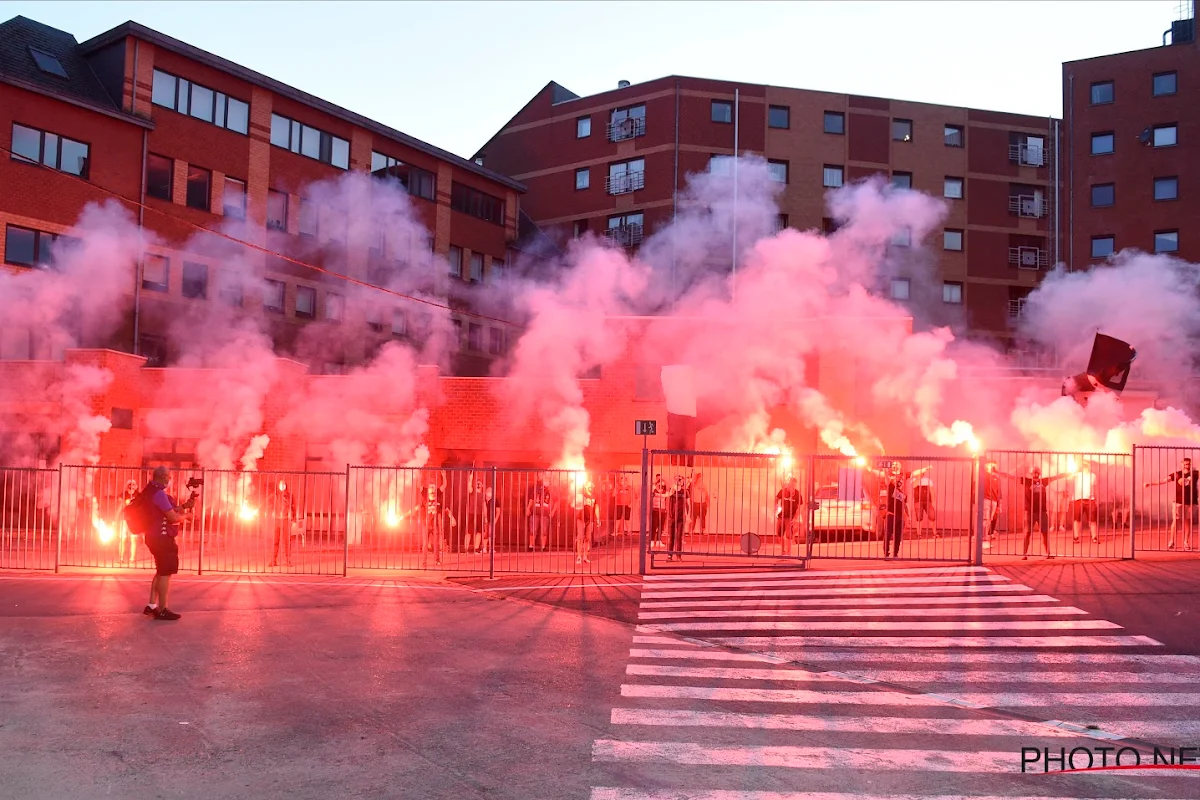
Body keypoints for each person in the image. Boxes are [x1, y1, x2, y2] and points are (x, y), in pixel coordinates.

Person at [142, 466, 193, 621]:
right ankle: (163, 609)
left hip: (153, 536)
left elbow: (164, 511)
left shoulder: (150, 491)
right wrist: (186, 516)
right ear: (163, 477)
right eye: (169, 477)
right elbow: (172, 518)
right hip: (162, 538)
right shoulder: (159, 493)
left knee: (160, 570)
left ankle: (151, 606)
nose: (170, 480)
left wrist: (184, 507)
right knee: (165, 573)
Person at [996, 464, 1068, 560]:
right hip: (1030, 511)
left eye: (1037, 472)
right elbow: (1011, 477)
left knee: (1045, 533)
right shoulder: (1027, 481)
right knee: (1027, 533)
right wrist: (997, 472)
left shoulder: (1044, 481)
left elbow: (1057, 477)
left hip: (1042, 511)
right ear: (1031, 473)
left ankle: (1048, 553)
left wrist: (1071, 473)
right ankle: (1024, 554)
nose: (1035, 474)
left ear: (1039, 473)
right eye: (1034, 472)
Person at [867, 461, 930, 559]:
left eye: (896, 464)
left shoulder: (904, 475)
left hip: (900, 510)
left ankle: (895, 553)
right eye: (893, 465)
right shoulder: (890, 479)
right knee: (888, 533)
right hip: (891, 511)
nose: (894, 466)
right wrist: (872, 469)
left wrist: (925, 469)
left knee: (897, 535)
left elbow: (914, 473)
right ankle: (886, 553)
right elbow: (883, 476)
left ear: (900, 466)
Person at [1145, 456, 1199, 550]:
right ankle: (1171, 541)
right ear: (1182, 464)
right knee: (1175, 521)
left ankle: (1186, 542)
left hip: (1191, 502)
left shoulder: (1195, 473)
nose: (1187, 465)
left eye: (1188, 463)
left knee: (1188, 522)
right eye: (1185, 463)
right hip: (1178, 501)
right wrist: (1150, 484)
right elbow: (1164, 480)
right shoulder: (1177, 474)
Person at [420, 471, 447, 567]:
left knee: (436, 543)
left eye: (434, 487)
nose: (433, 489)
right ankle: (424, 561)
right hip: (426, 523)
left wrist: (444, 476)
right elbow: (419, 486)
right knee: (425, 543)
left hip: (435, 523)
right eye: (431, 487)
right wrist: (420, 476)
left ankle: (437, 560)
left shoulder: (438, 495)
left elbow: (444, 486)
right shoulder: (425, 494)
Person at [268, 480, 297, 567]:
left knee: (287, 541)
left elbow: (293, 507)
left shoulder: (289, 496)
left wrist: (293, 517)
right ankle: (273, 560)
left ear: (285, 486)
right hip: (277, 519)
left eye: (283, 485)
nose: (282, 486)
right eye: (280, 485)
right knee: (275, 541)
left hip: (285, 520)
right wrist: (271, 510)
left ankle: (288, 560)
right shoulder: (274, 495)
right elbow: (269, 503)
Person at [1070, 460, 1100, 545]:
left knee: (1092, 520)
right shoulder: (1077, 475)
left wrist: (1096, 499)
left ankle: (1094, 537)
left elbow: (1095, 488)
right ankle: (1076, 537)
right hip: (1078, 499)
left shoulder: (1093, 476)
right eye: (1088, 465)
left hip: (1090, 500)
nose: (1089, 467)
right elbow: (1069, 477)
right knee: (1077, 519)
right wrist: (1072, 470)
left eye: (1090, 465)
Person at [775, 475, 804, 556]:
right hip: (781, 516)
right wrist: (776, 507)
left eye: (794, 484)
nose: (792, 486)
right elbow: (776, 499)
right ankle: (783, 551)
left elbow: (799, 507)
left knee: (789, 535)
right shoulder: (783, 491)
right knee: (779, 534)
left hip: (790, 517)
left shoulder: (797, 494)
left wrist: (795, 518)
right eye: (791, 484)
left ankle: (789, 552)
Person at [666, 475, 689, 561]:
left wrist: (688, 515)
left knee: (679, 536)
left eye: (680, 480)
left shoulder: (685, 491)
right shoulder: (671, 490)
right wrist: (673, 488)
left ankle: (678, 555)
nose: (679, 481)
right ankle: (669, 555)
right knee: (671, 536)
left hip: (681, 516)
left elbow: (688, 504)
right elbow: (667, 495)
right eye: (677, 480)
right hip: (672, 516)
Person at [575, 481, 598, 564]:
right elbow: (576, 505)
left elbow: (596, 507)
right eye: (589, 485)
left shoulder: (594, 496)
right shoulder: (582, 495)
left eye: (592, 485)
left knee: (587, 538)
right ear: (585, 486)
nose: (591, 486)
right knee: (580, 537)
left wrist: (598, 519)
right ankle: (579, 557)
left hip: (590, 519)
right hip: (581, 519)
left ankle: (585, 556)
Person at [117, 479, 139, 564]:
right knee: (122, 539)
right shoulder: (123, 495)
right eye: (130, 484)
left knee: (133, 539)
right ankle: (121, 558)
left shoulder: (138, 495)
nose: (131, 486)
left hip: (135, 520)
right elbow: (120, 506)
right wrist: (116, 517)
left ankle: (132, 558)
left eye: (133, 484)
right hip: (124, 520)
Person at [912, 469, 938, 539]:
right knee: (919, 518)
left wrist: (933, 502)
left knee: (932, 516)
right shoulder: (914, 479)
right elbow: (914, 485)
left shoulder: (928, 480)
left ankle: (935, 533)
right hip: (918, 501)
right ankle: (919, 534)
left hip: (927, 501)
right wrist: (918, 478)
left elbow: (932, 491)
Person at [983, 461, 1002, 539]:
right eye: (992, 465)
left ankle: (985, 536)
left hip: (994, 501)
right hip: (986, 499)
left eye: (995, 465)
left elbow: (999, 492)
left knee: (989, 519)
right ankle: (982, 537)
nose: (994, 466)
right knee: (985, 518)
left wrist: (999, 505)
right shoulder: (984, 474)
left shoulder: (996, 478)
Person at [689, 472, 711, 537]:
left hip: (702, 503)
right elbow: (690, 494)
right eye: (699, 478)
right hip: (695, 503)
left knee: (702, 517)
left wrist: (708, 502)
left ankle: (703, 530)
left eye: (701, 478)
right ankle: (691, 530)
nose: (700, 479)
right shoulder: (693, 485)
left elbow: (707, 494)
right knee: (693, 517)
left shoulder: (704, 485)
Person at [650, 474, 669, 549]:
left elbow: (668, 495)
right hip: (655, 510)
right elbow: (653, 493)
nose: (661, 485)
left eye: (663, 484)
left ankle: (658, 541)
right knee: (654, 526)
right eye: (660, 483)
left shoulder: (665, 491)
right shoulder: (654, 490)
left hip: (662, 511)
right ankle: (652, 541)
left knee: (661, 527)